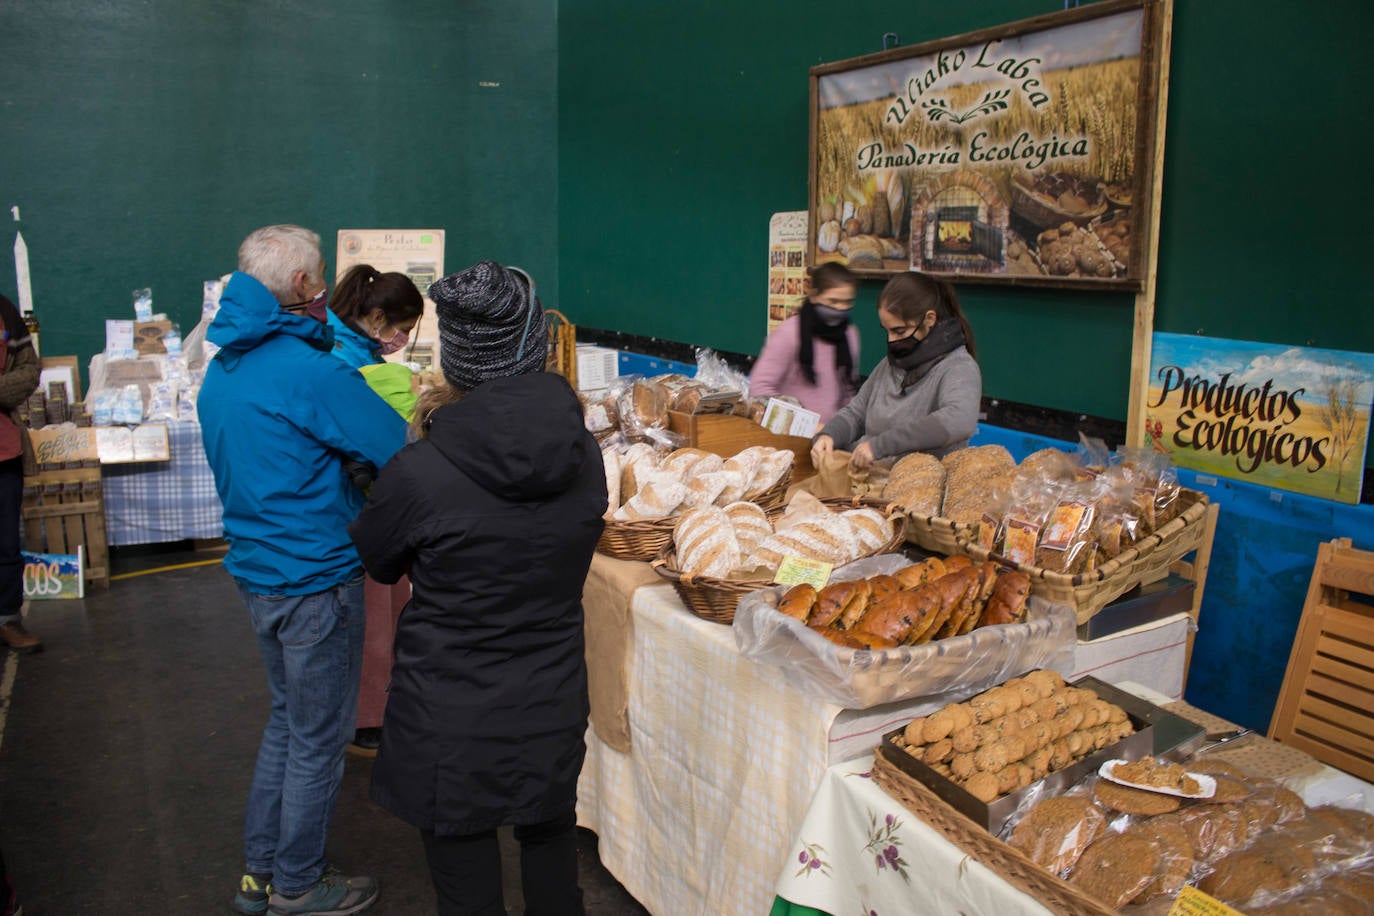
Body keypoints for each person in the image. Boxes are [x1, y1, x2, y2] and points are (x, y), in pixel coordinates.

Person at [349, 260, 606, 916]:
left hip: (449, 711)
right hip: (550, 696)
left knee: (465, 882)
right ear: (531, 345)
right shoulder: (586, 454)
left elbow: (378, 560)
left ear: (457, 357)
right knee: (552, 852)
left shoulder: (420, 470)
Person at [199, 224, 407, 916]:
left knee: (287, 723)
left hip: (257, 571)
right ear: (300, 287)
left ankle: (261, 874)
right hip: (316, 577)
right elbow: (391, 442)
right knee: (319, 741)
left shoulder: (224, 366)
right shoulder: (307, 370)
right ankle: (297, 883)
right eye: (319, 275)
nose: (324, 288)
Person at [317, 264, 423, 758]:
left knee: (384, 610)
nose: (402, 339)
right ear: (376, 317)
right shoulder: (344, 362)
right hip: (356, 510)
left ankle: (380, 705)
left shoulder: (341, 345)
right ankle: (369, 720)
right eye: (401, 328)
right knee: (375, 615)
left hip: (362, 504)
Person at [811, 270, 980, 470]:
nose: (891, 340)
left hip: (915, 486)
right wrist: (829, 434)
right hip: (865, 481)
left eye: (899, 331)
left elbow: (958, 420)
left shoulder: (958, 367)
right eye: (887, 331)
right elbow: (856, 413)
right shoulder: (890, 365)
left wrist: (879, 446)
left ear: (929, 319)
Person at [749, 262, 860, 424]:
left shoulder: (850, 335)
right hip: (790, 438)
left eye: (848, 302)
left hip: (831, 438)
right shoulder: (788, 334)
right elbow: (759, 391)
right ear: (814, 296)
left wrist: (840, 431)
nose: (841, 308)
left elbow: (848, 393)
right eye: (833, 301)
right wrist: (804, 425)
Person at [0, 293, 40, 654]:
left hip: (4, 451)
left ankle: (7, 619)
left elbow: (29, 369)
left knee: (7, 545)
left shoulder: (3, 310)